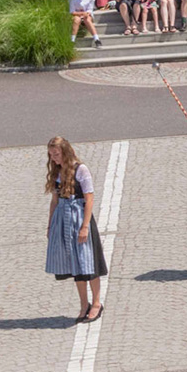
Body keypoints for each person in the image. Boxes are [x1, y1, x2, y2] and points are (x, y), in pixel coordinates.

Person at [44, 136, 107, 323]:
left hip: (80, 220)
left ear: (65, 151)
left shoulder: (81, 170)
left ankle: (97, 303)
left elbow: (89, 199)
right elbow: (54, 201)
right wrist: (50, 225)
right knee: (75, 265)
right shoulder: (57, 172)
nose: (54, 158)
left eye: (56, 154)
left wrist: (85, 227)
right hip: (64, 222)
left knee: (89, 263)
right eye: (51, 155)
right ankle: (84, 304)